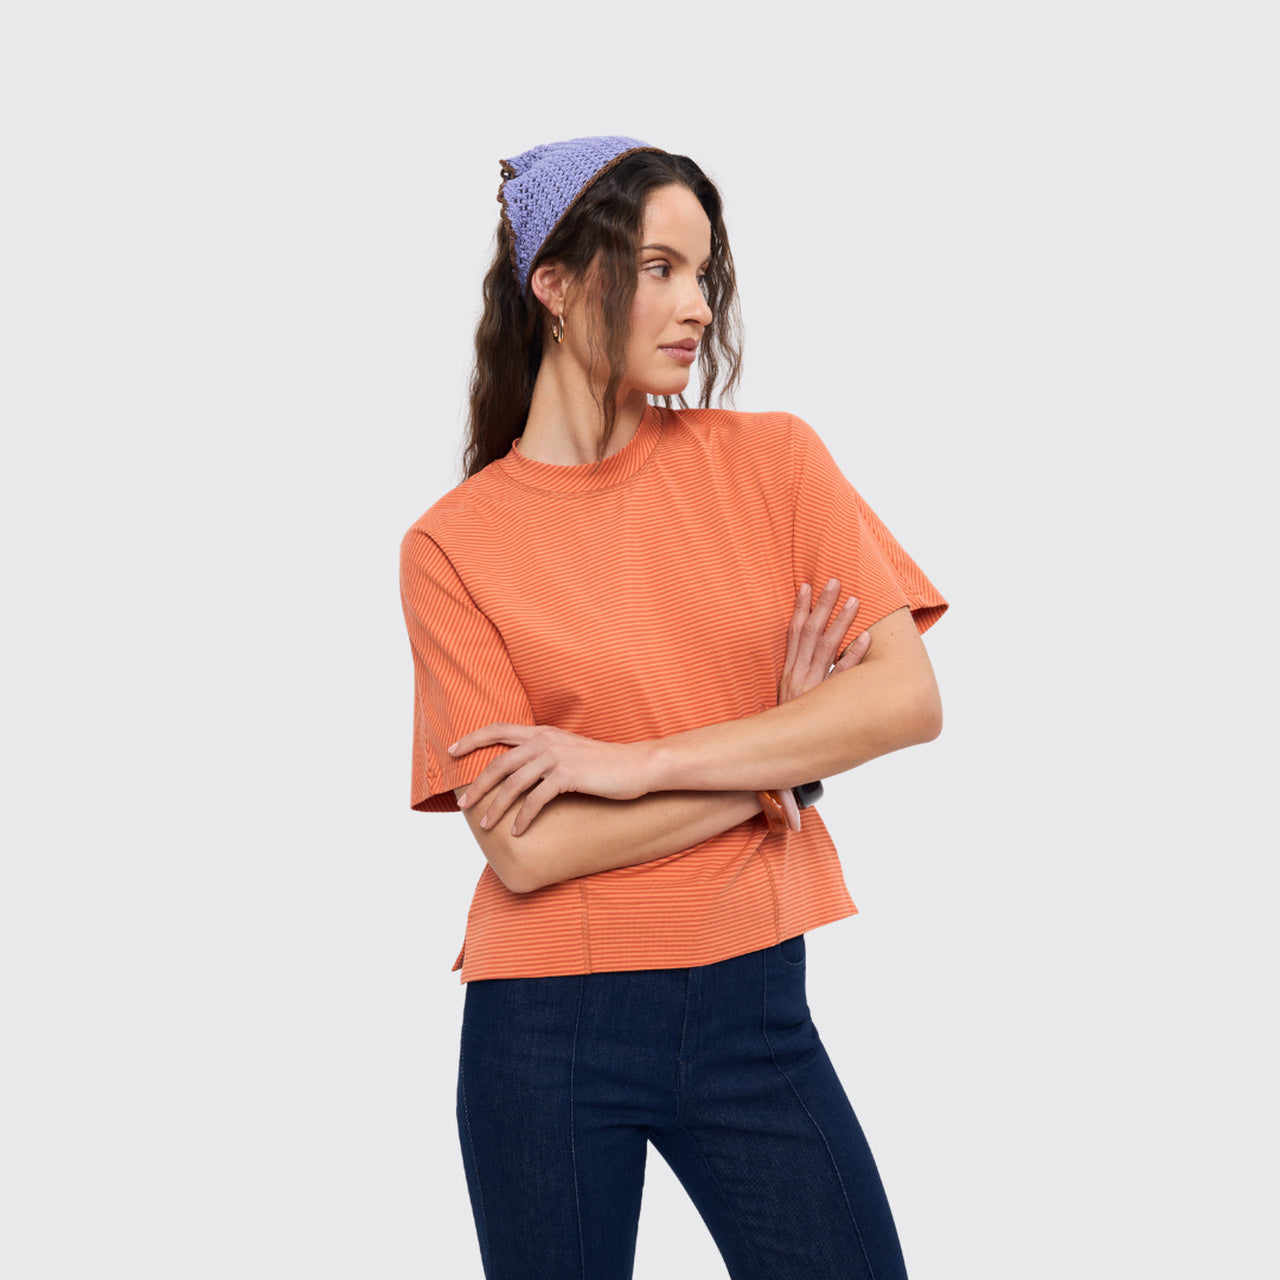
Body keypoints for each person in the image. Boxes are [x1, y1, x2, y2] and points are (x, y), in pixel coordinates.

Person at [399, 135, 948, 1280]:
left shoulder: (773, 461)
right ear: (555, 285)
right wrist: (779, 765)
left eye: (702, 272)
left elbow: (903, 697)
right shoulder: (452, 546)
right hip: (542, 1023)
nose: (696, 304)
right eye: (657, 268)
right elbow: (529, 850)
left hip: (753, 1006)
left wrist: (634, 762)